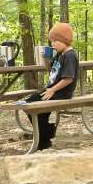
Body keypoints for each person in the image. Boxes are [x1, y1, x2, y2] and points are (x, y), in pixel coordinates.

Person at [30, 22, 79, 151]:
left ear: (64, 40)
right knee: (30, 104)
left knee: (32, 106)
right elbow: (51, 71)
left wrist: (52, 90)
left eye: (55, 41)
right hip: (52, 90)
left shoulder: (70, 56)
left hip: (62, 92)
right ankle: (46, 134)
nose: (53, 44)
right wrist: (46, 59)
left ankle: (44, 140)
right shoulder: (59, 54)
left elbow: (68, 79)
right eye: (51, 41)